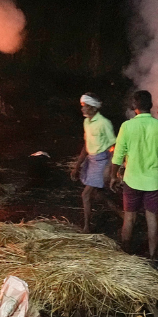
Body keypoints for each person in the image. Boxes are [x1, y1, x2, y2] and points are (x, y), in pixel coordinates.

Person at [108, 90, 158, 259]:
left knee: (129, 217)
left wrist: (114, 175)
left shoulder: (127, 126)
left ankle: (126, 253)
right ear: (150, 106)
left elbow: (118, 155)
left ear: (134, 106)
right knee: (152, 220)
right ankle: (152, 257)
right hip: (154, 182)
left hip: (132, 180)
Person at [71, 92, 116, 233]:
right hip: (91, 160)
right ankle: (122, 214)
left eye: (85, 106)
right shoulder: (86, 122)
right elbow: (86, 145)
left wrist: (110, 167)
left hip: (101, 161)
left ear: (94, 108)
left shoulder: (104, 123)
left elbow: (115, 146)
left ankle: (86, 227)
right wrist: (77, 166)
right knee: (97, 195)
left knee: (85, 194)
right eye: (82, 106)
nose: (82, 109)